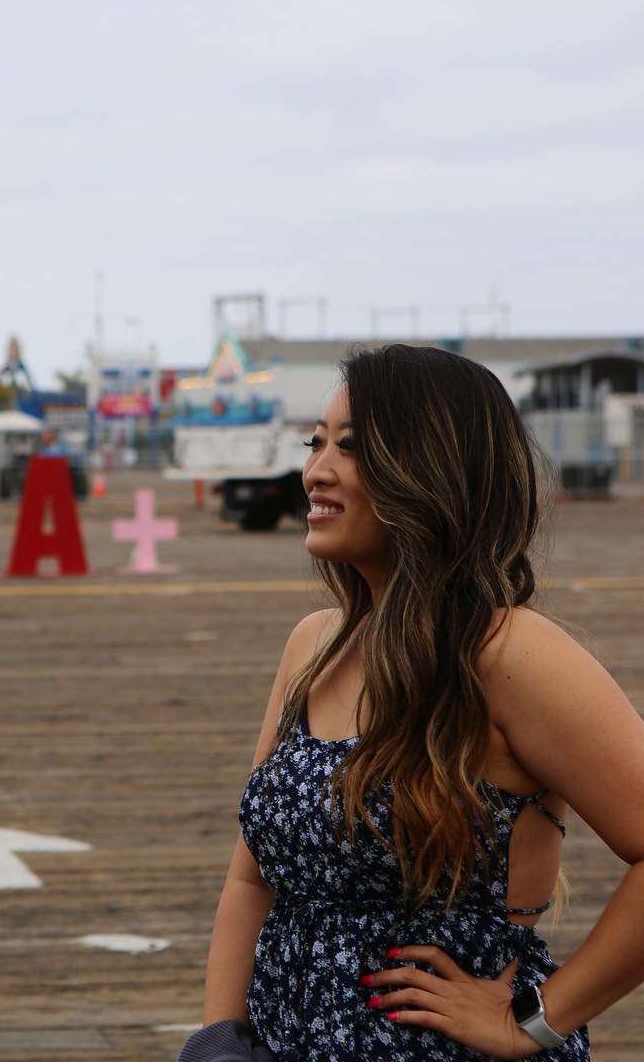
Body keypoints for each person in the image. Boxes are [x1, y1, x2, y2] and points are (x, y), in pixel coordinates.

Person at [201, 344, 644, 1060]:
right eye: (316, 442)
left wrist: (532, 1020)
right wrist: (217, 1039)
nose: (317, 468)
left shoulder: (510, 653)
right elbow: (251, 871)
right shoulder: (315, 644)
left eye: (353, 447)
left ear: (429, 469)